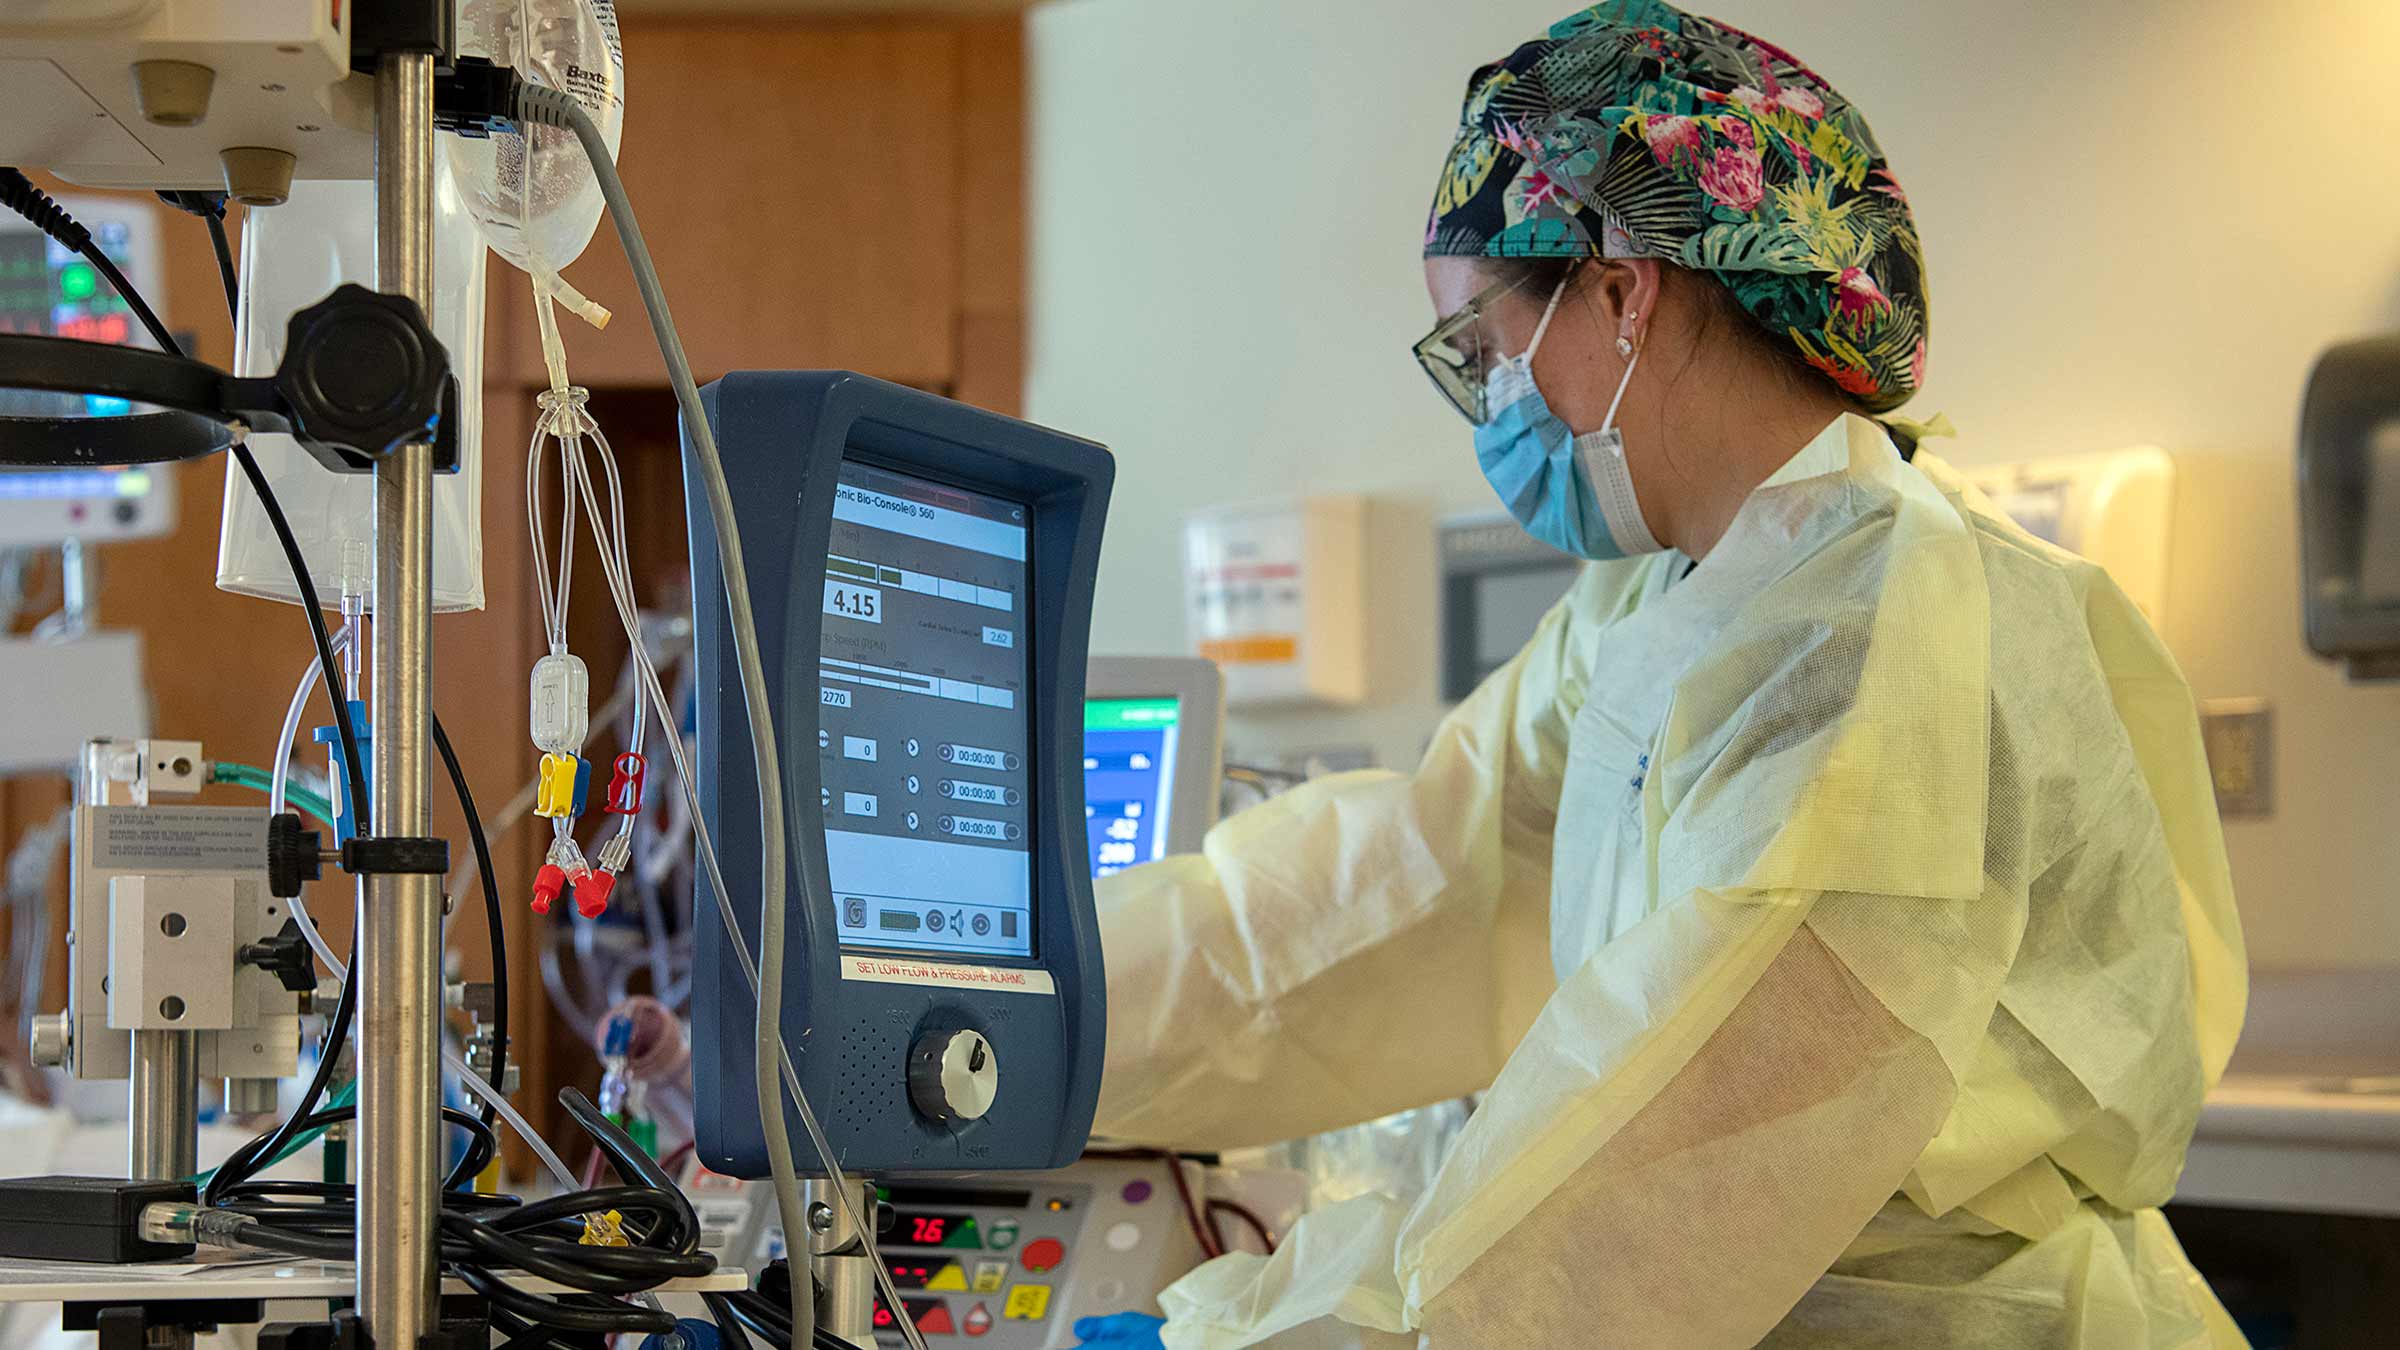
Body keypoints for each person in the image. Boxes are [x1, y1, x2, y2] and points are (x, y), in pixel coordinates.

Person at [1073, 2, 2248, 1346]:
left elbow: (1631, 1198)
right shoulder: (1668, 593)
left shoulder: (1869, 645)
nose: (1490, 400)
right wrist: (1038, 1012)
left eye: (1482, 348)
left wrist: (1241, 1331)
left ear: (1624, 292)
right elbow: (1427, 881)